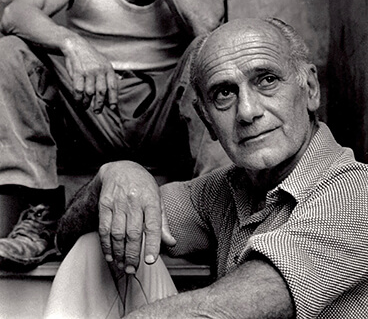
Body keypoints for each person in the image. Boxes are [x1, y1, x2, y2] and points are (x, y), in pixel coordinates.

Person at [0, 0, 227, 270]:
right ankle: (42, 213)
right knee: (9, 52)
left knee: (209, 51)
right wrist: (73, 43)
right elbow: (16, 12)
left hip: (168, 119)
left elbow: (205, 23)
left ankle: (217, 217)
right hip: (91, 110)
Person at [47, 18, 368, 318]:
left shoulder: (356, 192)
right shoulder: (226, 189)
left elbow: (235, 307)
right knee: (97, 241)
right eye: (224, 93)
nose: (247, 111)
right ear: (207, 121)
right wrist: (113, 175)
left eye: (267, 80)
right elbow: (68, 235)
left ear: (310, 88)